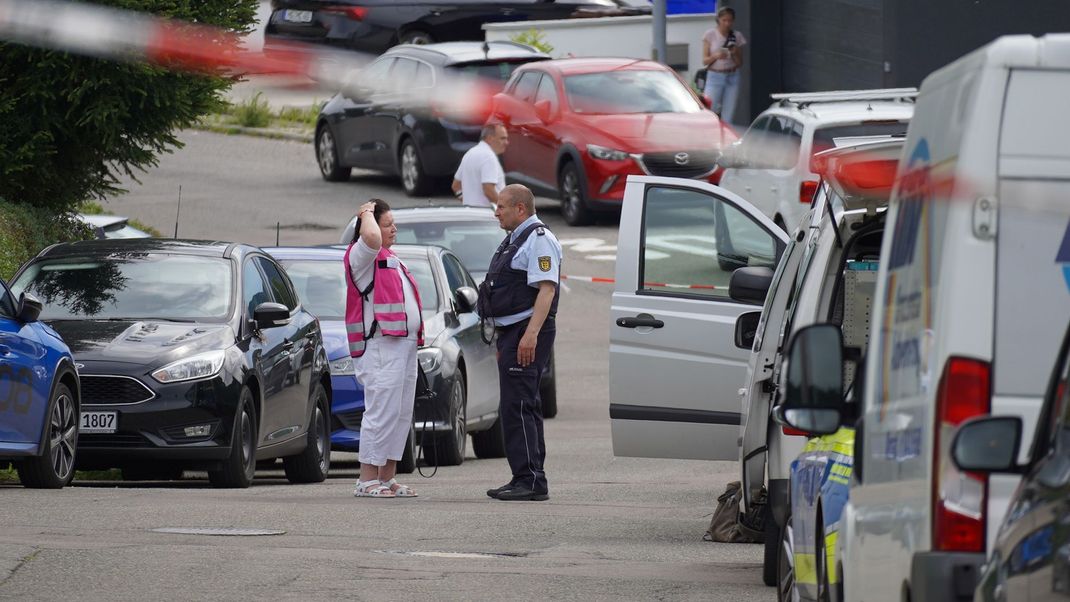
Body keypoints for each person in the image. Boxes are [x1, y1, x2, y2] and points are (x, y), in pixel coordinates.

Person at [479, 184, 561, 502]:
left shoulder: (539, 241)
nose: (496, 211)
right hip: (513, 332)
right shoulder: (515, 239)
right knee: (515, 405)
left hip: (527, 332)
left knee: (522, 404)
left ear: (520, 209)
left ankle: (531, 480)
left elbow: (547, 290)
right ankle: (522, 476)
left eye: (501, 206)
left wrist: (530, 335)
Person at [344, 198, 424, 498]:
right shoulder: (362, 254)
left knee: (400, 412)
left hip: (403, 345)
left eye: (394, 224)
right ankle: (367, 479)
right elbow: (371, 237)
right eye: (387, 224)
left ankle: (387, 477)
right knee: (381, 410)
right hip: (380, 345)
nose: (394, 229)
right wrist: (365, 212)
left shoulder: (392, 258)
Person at [702, 6, 746, 124]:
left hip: (732, 75)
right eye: (724, 20)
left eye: (730, 20)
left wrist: (735, 53)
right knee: (709, 110)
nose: (727, 23)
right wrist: (716, 56)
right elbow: (705, 60)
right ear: (718, 20)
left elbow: (739, 63)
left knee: (729, 113)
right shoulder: (710, 34)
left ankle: (726, 137)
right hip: (715, 75)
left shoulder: (736, 36)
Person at [452, 123, 508, 208]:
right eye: (502, 138)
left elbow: (456, 186)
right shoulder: (489, 156)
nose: (506, 142)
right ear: (490, 138)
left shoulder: (470, 153)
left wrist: (467, 202)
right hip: (488, 216)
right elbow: (488, 190)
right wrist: (506, 209)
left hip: (472, 214)